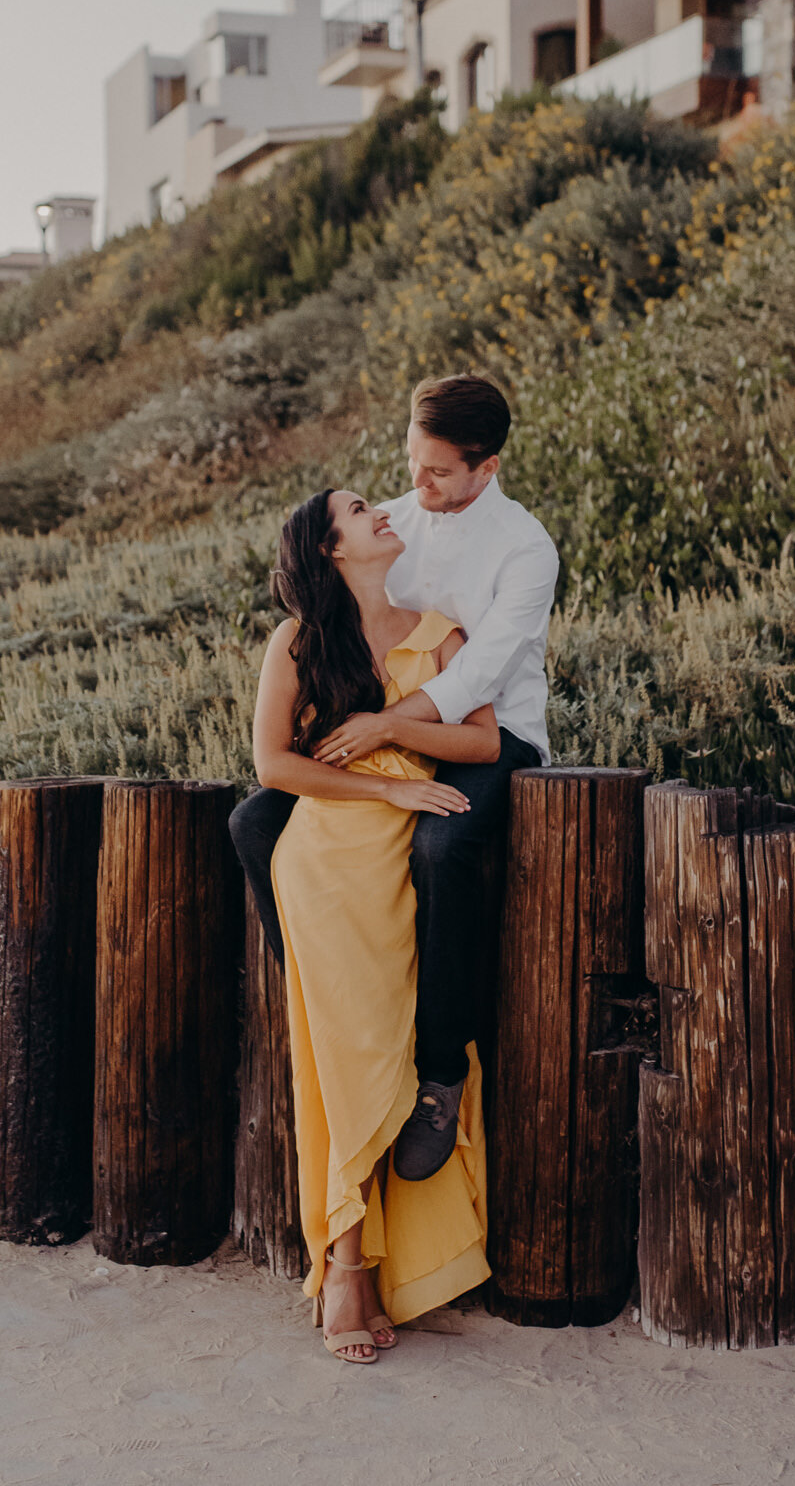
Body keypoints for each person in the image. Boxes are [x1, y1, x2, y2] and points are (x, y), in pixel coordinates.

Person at [231, 373, 558, 1183]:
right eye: (412, 462)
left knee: (441, 853)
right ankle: (317, 990)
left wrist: (384, 724)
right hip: (383, 735)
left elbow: (480, 672)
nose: (416, 486)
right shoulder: (393, 520)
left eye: (438, 472)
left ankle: (439, 1067)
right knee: (254, 822)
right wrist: (350, 723)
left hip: (493, 733)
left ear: (486, 466)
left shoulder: (524, 548)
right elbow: (340, 612)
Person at [253, 486, 501, 1361]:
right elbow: (272, 762)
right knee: (347, 1061)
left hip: (399, 868)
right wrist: (387, 783)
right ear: (329, 550)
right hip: (323, 864)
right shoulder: (298, 642)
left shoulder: (438, 634)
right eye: (360, 512)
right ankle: (346, 1269)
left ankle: (374, 1262)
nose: (381, 514)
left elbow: (482, 743)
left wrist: (390, 729)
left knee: (384, 1050)